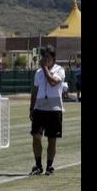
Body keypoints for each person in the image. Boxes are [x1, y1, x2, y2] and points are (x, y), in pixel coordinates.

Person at [29, 45, 65, 176]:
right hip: (39, 109)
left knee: (52, 139)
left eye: (48, 57)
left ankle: (49, 166)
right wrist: (31, 107)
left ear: (53, 58)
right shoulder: (38, 73)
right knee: (36, 136)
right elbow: (35, 90)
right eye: (44, 57)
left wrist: (44, 68)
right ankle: (38, 165)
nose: (45, 59)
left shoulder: (60, 70)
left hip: (54, 110)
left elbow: (52, 82)